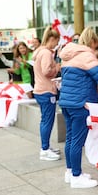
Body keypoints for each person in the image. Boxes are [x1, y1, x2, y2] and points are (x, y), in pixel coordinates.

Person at [59, 27, 98, 188]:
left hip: (67, 102)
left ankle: (70, 172)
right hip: (80, 103)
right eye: (97, 46)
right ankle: (77, 177)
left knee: (70, 139)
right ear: (93, 42)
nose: (97, 49)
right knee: (77, 141)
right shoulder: (86, 55)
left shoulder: (67, 55)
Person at [32, 26, 61, 161]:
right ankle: (44, 149)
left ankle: (46, 147)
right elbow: (46, 71)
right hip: (46, 91)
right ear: (52, 39)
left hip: (40, 89)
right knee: (47, 121)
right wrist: (57, 68)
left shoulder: (39, 51)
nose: (57, 44)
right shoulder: (46, 53)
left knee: (45, 120)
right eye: (57, 41)